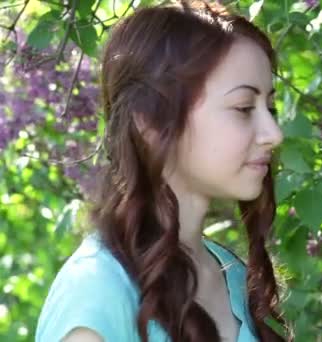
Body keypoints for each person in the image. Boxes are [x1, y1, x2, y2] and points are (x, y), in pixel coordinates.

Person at [35, 1, 291, 341]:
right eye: (244, 108)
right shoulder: (97, 294)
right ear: (150, 121)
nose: (273, 133)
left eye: (270, 108)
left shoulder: (231, 276)